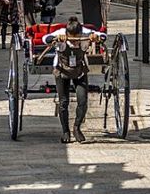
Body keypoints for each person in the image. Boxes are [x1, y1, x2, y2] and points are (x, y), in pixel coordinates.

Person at [43, 16, 106, 144]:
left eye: (77, 38)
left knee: (82, 101)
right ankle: (65, 131)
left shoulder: (86, 33)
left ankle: (77, 127)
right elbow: (46, 39)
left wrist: (96, 37)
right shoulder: (61, 33)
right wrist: (56, 39)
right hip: (62, 70)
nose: (75, 42)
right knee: (63, 102)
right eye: (72, 38)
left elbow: (103, 35)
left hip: (80, 70)